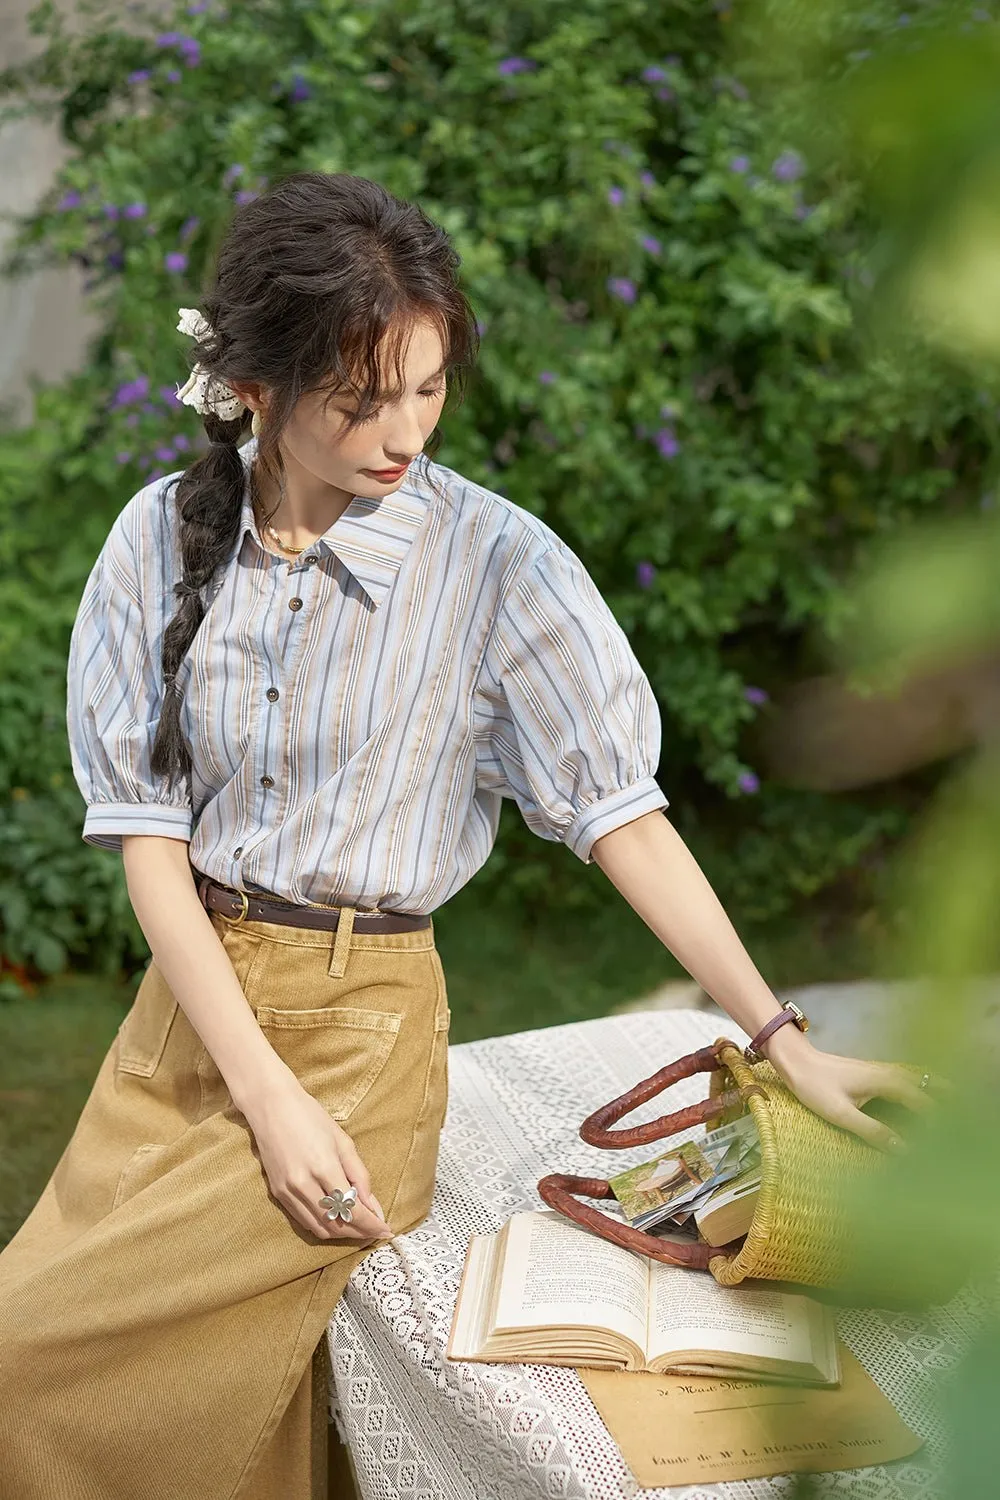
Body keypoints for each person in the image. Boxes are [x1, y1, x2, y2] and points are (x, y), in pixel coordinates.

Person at [0, 170, 938, 1500]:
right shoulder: (159, 538)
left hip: (364, 1045)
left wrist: (781, 1037)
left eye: (430, 388)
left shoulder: (500, 566)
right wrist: (257, 1093)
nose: (406, 431)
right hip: (183, 1031)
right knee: (133, 1379)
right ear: (253, 385)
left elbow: (627, 823)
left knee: (26, 1363)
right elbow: (152, 842)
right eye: (364, 397)